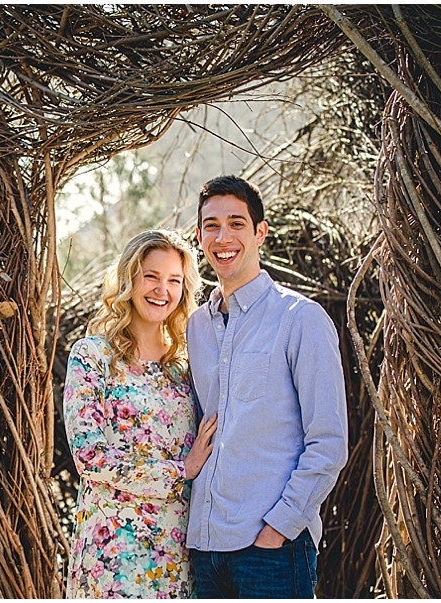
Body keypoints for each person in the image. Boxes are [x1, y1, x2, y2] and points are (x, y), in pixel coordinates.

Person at [186, 175, 349, 598]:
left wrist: (279, 527)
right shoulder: (196, 327)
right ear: (200, 235)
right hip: (205, 549)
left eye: (237, 223)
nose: (223, 237)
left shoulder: (301, 319)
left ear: (261, 232)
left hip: (271, 550)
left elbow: (328, 441)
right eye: (211, 225)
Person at [63, 229, 218, 598]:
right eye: (151, 276)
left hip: (178, 552)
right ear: (129, 278)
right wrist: (181, 471)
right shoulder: (92, 356)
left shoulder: (187, 365)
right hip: (113, 555)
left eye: (174, 281)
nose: (162, 290)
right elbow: (89, 455)